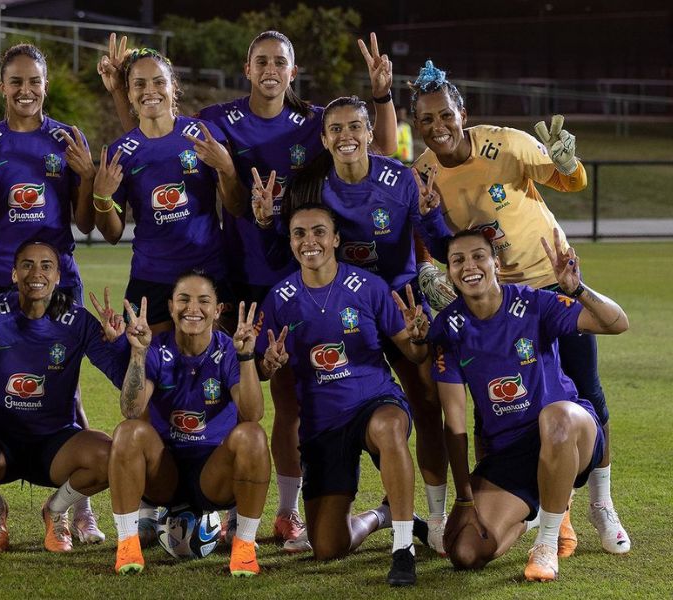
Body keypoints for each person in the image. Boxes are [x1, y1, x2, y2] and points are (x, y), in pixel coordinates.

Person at [97, 30, 398, 548]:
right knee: (201, 382)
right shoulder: (216, 119)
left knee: (289, 396)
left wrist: (382, 95)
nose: (270, 69)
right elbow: (157, 138)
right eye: (262, 60)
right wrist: (124, 95)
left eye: (280, 61)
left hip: (300, 273)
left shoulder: (313, 120)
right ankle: (181, 501)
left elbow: (381, 149)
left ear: (292, 70)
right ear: (247, 66)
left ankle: (282, 511)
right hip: (236, 278)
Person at [410, 59, 631, 555]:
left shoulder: (506, 143)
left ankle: (599, 502)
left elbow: (569, 182)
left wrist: (568, 162)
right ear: (417, 126)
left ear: (461, 111)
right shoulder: (420, 173)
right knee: (496, 409)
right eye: (426, 120)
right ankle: (526, 503)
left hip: (550, 286)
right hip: (489, 300)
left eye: (445, 114)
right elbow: (442, 244)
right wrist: (429, 255)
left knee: (584, 393)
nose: (438, 127)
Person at [255, 95, 454, 554]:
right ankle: (308, 509)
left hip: (400, 304)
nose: (346, 136)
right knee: (305, 401)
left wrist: (431, 215)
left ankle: (437, 518)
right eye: (336, 129)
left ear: (370, 134)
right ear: (324, 139)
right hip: (341, 305)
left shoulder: (401, 180)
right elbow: (284, 255)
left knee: (426, 403)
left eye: (355, 128)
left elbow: (439, 245)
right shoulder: (309, 186)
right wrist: (268, 223)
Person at [0, 43, 104, 544]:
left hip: (57, 278)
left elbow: (84, 222)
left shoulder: (66, 138)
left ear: (45, 85)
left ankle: (79, 509)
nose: (25, 90)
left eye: (34, 81)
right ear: (2, 87)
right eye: (16, 81)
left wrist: (87, 177)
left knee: (67, 384)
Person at [430, 228, 628, 581]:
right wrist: (464, 500)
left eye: (479, 256)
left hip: (571, 432)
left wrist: (577, 290)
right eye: (458, 260)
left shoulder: (533, 303)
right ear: (449, 274)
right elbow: (455, 424)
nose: (469, 266)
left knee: (555, 417)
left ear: (497, 264)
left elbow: (617, 323)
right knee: (465, 551)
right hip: (510, 453)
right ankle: (536, 511)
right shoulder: (449, 328)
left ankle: (547, 542)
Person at [254, 204, 431, 586]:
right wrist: (269, 364)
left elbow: (413, 352)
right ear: (291, 242)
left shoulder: (368, 288)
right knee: (328, 546)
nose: (309, 241)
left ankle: (403, 549)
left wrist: (419, 338)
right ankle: (383, 515)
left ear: (335, 239)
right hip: (323, 424)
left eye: (318, 231)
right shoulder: (279, 299)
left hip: (374, 401)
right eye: (299, 234)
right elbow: (262, 370)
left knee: (388, 429)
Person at [0, 240, 131, 554]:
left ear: (59, 277)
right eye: (27, 264)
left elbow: (121, 379)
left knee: (109, 457)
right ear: (13, 273)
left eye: (46, 265)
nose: (37, 273)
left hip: (56, 443)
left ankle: (56, 510)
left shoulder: (76, 319)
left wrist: (120, 344)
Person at [109, 271, 270, 577]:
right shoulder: (157, 348)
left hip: (215, 474)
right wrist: (139, 353)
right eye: (183, 299)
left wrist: (247, 356)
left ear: (218, 309)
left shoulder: (228, 351)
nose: (192, 308)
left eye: (203, 301)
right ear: (171, 306)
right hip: (163, 473)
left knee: (253, 435)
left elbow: (251, 414)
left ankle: (244, 548)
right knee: (128, 431)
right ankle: (127, 544)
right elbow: (132, 409)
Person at [92, 47, 244, 332]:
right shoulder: (119, 153)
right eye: (139, 84)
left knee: (218, 370)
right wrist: (102, 198)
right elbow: (112, 234)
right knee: (150, 370)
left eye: (159, 81)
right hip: (152, 277)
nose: (150, 90)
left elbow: (236, 207)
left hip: (208, 272)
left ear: (174, 87)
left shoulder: (203, 134)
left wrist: (227, 169)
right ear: (129, 93)